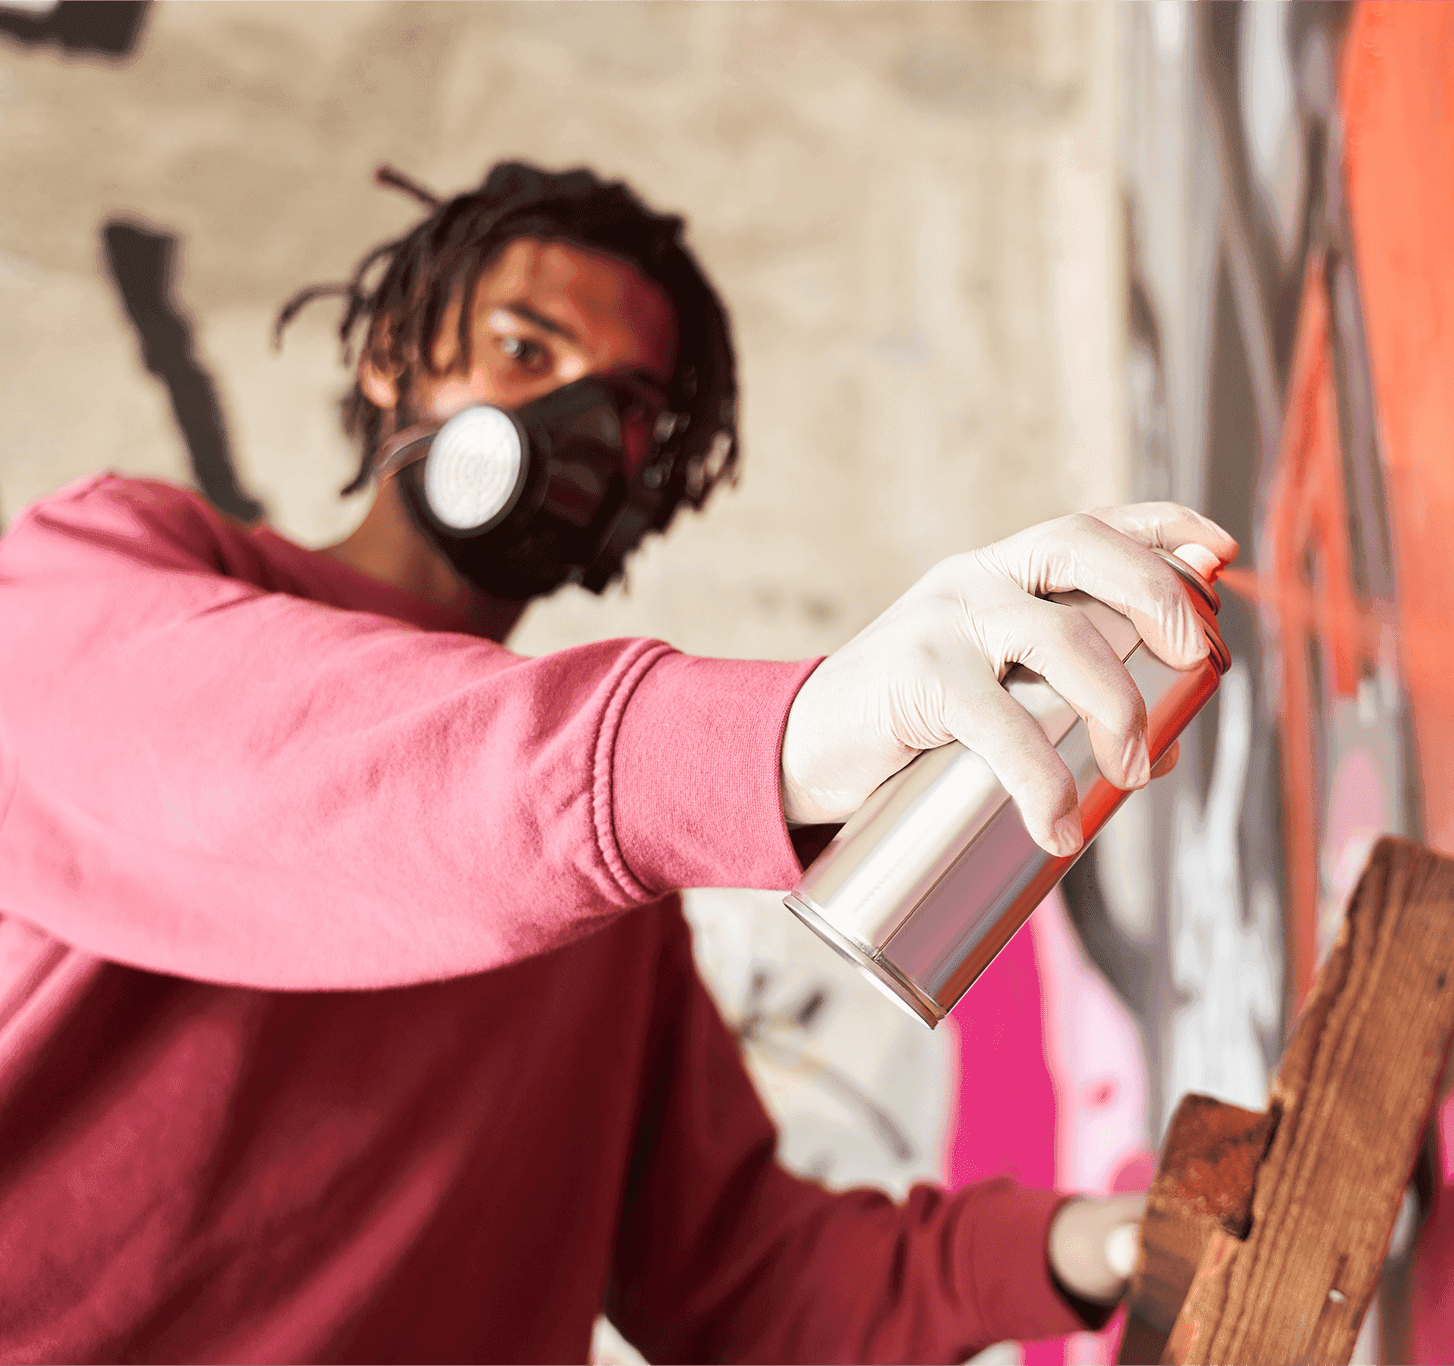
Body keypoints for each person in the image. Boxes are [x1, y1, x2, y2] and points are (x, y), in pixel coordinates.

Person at [0, 163, 1236, 1362]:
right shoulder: (92, 576)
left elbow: (743, 1283)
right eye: (526, 352)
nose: (578, 424)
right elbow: (303, 772)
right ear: (393, 359)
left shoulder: (604, 913)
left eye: (631, 403)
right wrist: (791, 737)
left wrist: (1083, 1245)